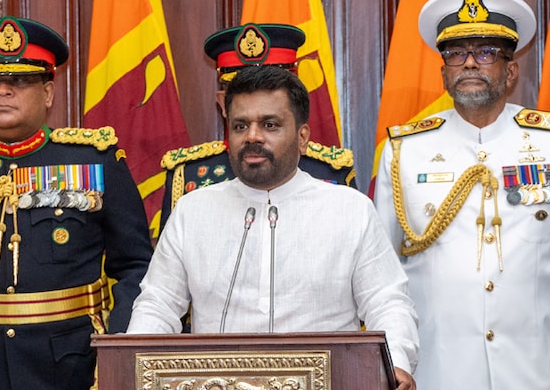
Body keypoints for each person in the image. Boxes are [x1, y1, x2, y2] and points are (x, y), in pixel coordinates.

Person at [129, 66, 418, 389]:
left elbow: (387, 302)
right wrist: (133, 366)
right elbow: (158, 303)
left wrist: (397, 363)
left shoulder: (349, 210)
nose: (252, 136)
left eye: (269, 125)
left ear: (303, 137)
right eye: (240, 125)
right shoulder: (193, 211)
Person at [0, 16, 153, 390]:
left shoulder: (94, 159)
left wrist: (114, 346)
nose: (2, 91)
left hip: (70, 367)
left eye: (19, 81)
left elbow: (137, 265)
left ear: (49, 93)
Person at [374, 0, 550, 390]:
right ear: (444, 73)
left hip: (538, 369)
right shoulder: (403, 151)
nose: (470, 64)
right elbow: (382, 274)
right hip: (436, 371)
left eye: (486, 52)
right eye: (456, 54)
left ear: (510, 70)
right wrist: (396, 359)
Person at [159, 23, 356, 228]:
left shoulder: (331, 172)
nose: (254, 135)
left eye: (269, 123)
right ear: (223, 104)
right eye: (241, 93)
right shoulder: (188, 175)